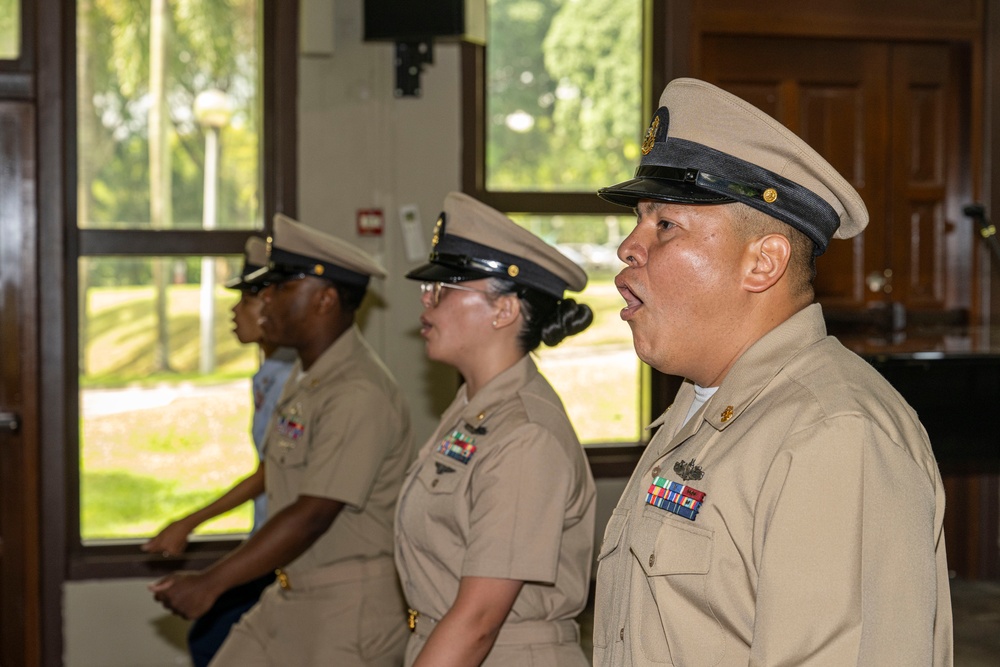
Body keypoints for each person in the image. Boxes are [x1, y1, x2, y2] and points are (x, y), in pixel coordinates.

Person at [591, 78, 953, 666]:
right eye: (638, 221)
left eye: (665, 225)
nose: (628, 248)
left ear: (763, 262)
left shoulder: (833, 435)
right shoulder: (700, 410)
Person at [151, 214, 414, 666]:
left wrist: (212, 582)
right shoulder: (308, 376)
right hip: (292, 590)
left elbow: (313, 514)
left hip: (345, 607)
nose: (265, 299)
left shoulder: (357, 392)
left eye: (282, 286)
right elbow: (280, 470)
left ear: (325, 300)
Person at [395, 191, 597, 667]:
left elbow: (479, 620)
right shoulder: (475, 409)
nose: (426, 300)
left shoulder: (525, 435)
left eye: (445, 289)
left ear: (504, 310)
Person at [142, 236, 296, 666]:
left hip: (287, 546)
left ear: (269, 307)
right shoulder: (270, 371)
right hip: (266, 536)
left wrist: (189, 523)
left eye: (245, 300)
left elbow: (273, 471)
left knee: (212, 640)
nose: (234, 311)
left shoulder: (291, 376)